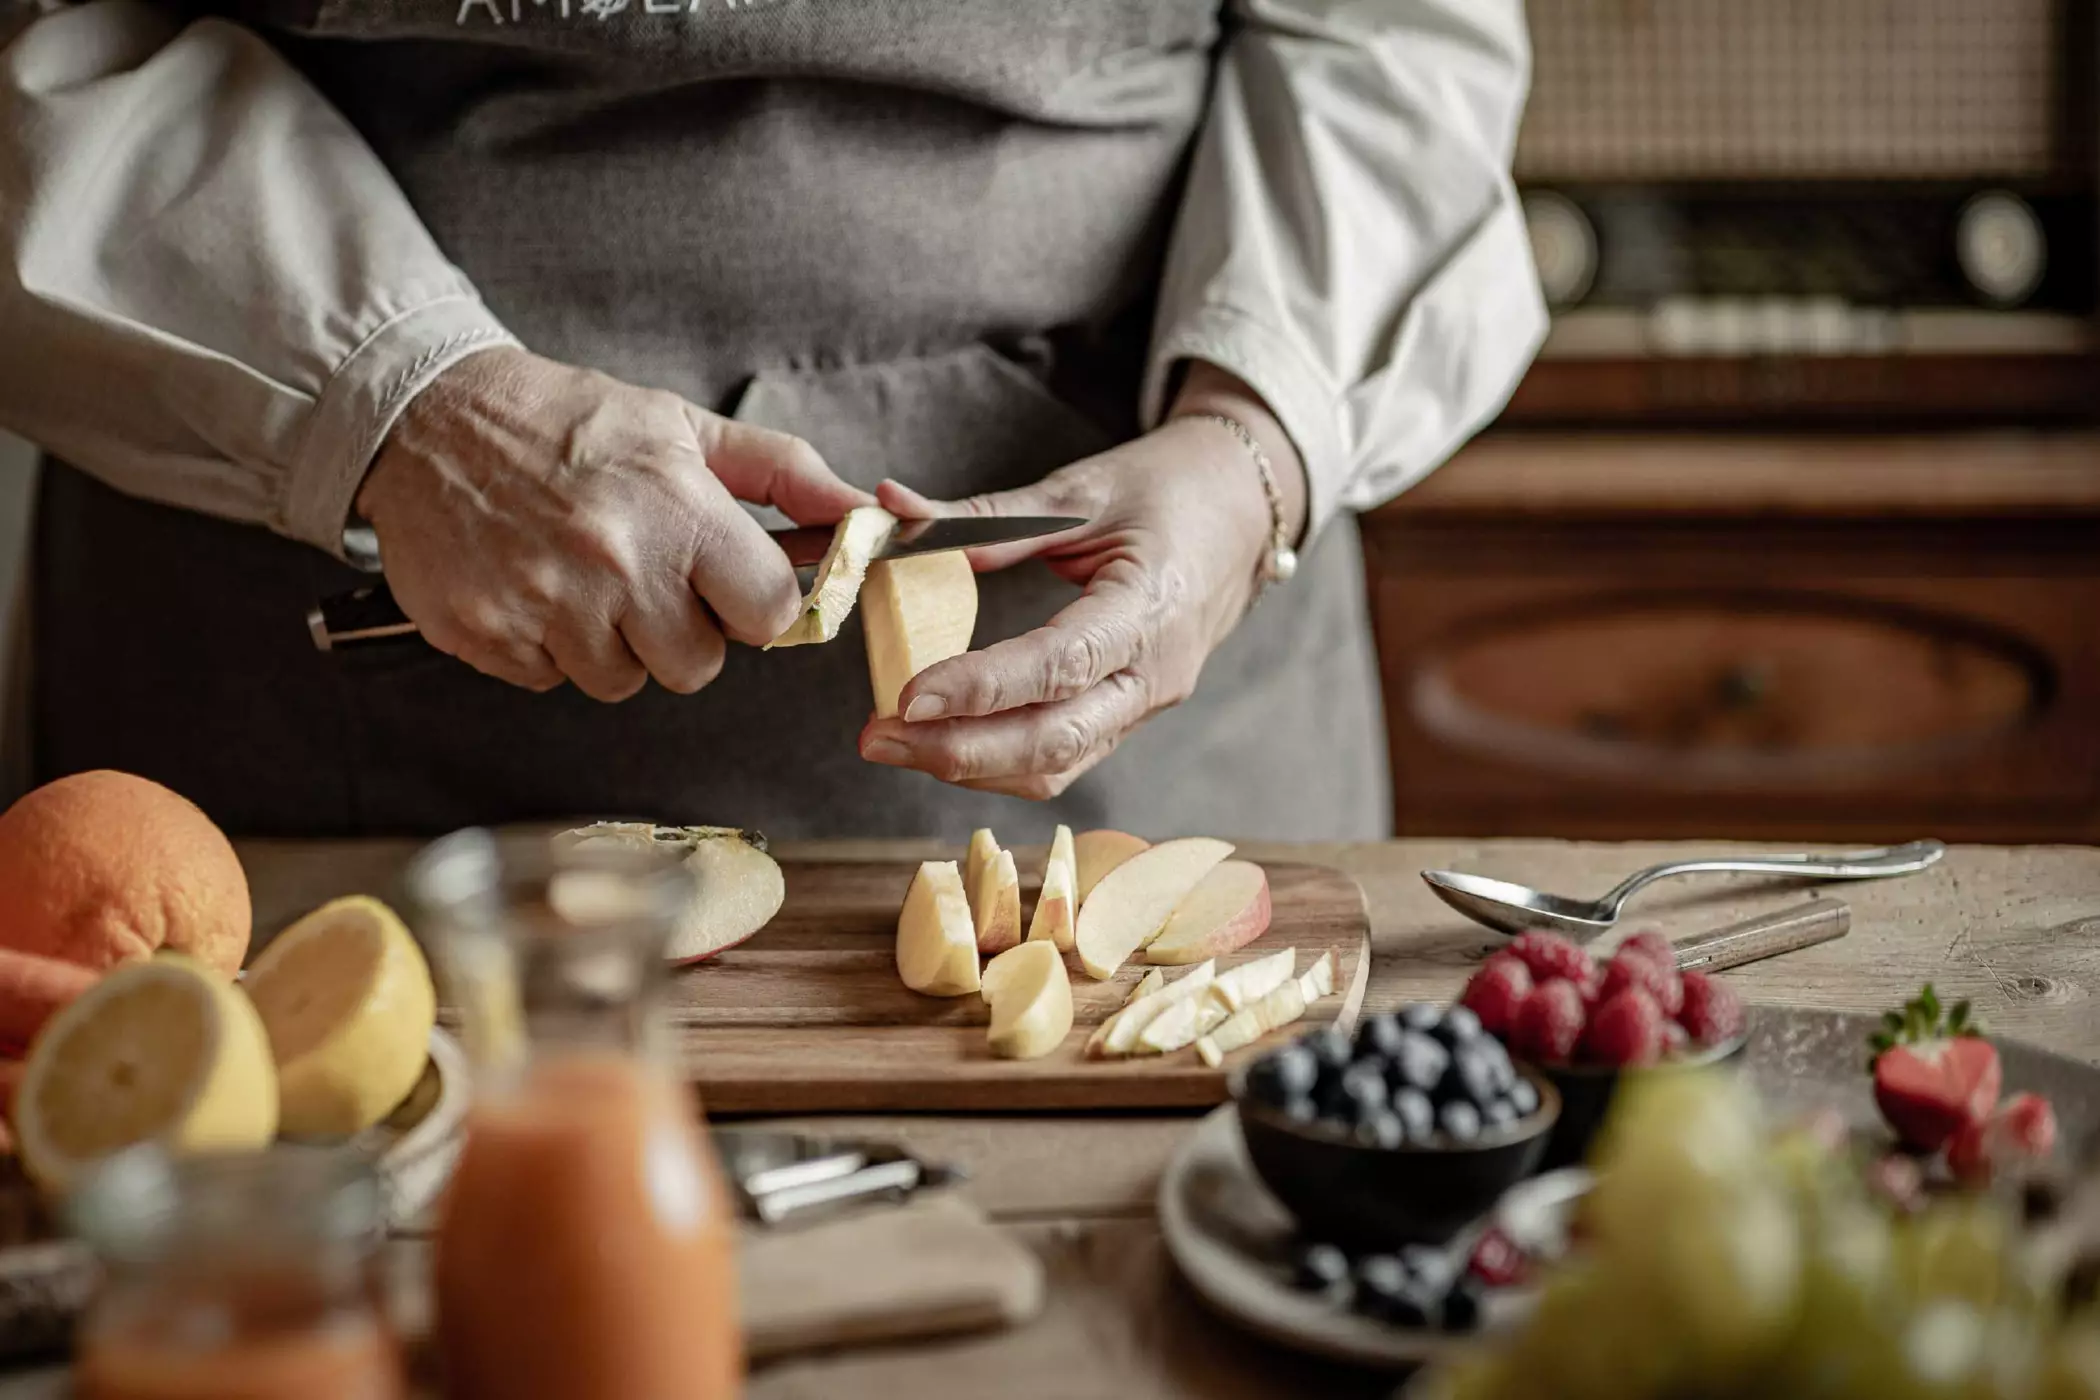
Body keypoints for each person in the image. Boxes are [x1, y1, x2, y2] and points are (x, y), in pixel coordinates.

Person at [0, 0, 1543, 840]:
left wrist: (1256, 442)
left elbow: (1398, 28)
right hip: (321, 723)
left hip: (1166, 739)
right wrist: (407, 410)